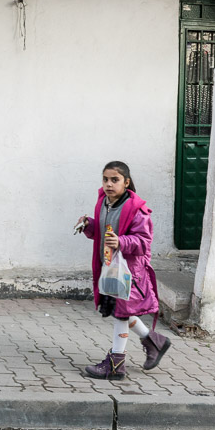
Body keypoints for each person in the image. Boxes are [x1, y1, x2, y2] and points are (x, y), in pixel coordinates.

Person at [75, 161, 171, 380]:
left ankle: (116, 364)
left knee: (121, 314)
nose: (109, 184)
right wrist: (88, 225)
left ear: (126, 182)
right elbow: (102, 231)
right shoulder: (104, 203)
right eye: (106, 179)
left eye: (115, 180)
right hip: (109, 267)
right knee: (122, 312)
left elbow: (144, 242)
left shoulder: (137, 210)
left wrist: (121, 242)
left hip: (129, 272)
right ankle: (155, 341)